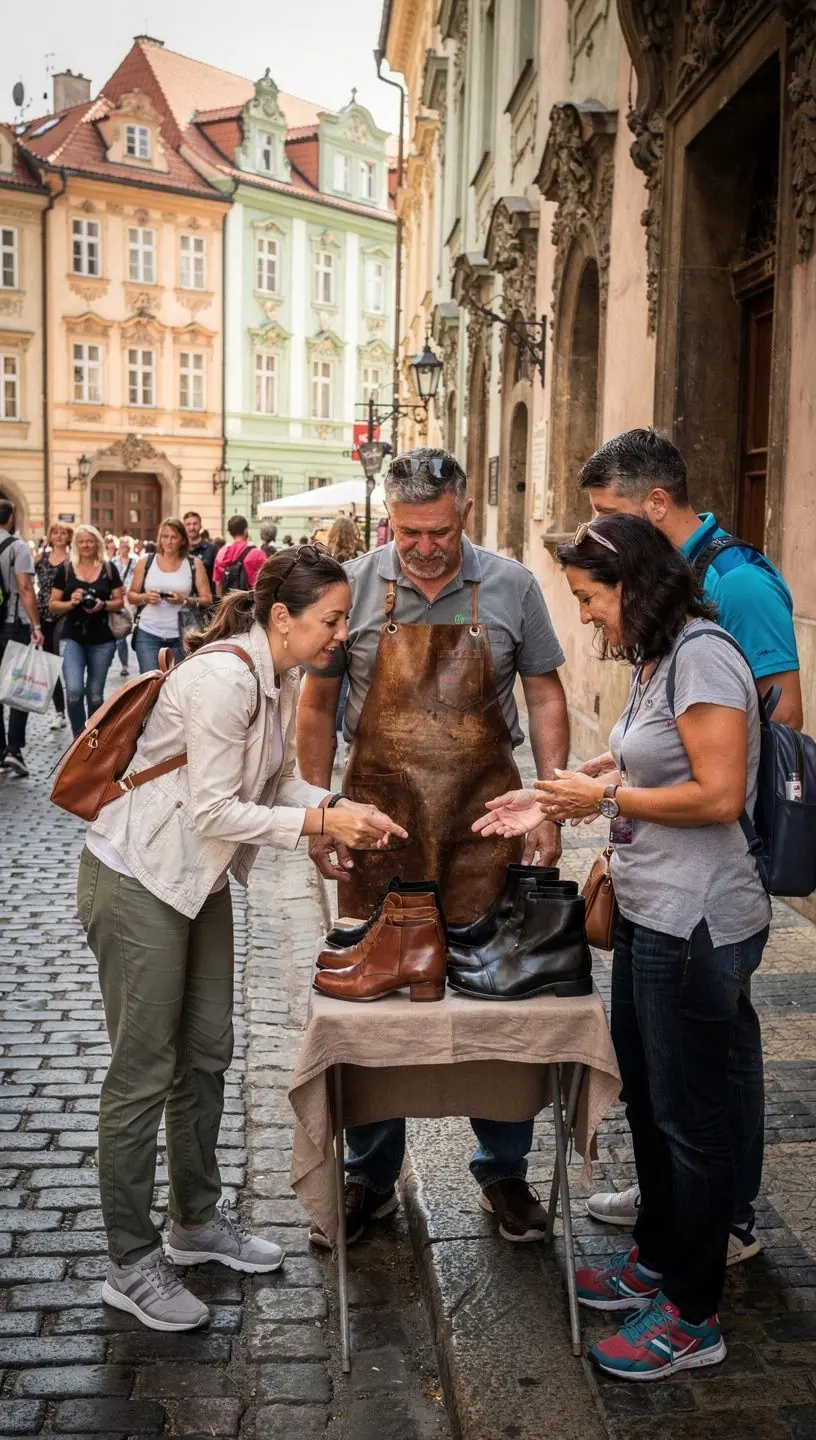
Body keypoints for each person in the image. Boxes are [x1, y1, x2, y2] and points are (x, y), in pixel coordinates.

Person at [78, 547, 406, 1331]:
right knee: (143, 1068)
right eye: (330, 621)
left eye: (344, 621)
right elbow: (214, 811)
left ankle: (193, 1223)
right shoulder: (227, 678)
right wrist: (320, 824)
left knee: (208, 1050)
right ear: (284, 618)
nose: (340, 635)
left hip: (198, 881)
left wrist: (329, 803)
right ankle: (130, 1260)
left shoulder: (279, 675)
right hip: (140, 878)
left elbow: (270, 784)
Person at [478, 514, 770, 1381]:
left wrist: (600, 808)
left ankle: (692, 1310)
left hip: (701, 919)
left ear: (635, 586)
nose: (589, 617)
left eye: (592, 599)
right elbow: (637, 761)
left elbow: (717, 795)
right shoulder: (657, 657)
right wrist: (556, 793)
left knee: (692, 1122)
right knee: (648, 1098)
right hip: (650, 911)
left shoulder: (705, 655)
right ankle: (656, 1258)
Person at [297, 446, 569, 1247]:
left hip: (487, 825)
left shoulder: (513, 585)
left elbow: (546, 693)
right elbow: (316, 706)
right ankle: (369, 1177)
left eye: (439, 531)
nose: (423, 547)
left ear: (465, 514)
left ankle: (505, 1171)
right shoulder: (352, 585)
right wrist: (321, 812)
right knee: (374, 1004)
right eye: (408, 531)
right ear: (390, 517)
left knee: (499, 996)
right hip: (378, 825)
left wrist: (548, 803)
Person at [576, 427, 796, 1249]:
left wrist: (624, 798)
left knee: (712, 1070)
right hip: (666, 875)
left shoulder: (734, 591)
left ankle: (724, 1219)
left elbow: (776, 730)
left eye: (608, 517)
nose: (598, 534)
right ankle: (686, 1213)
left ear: (654, 508)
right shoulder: (672, 607)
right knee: (688, 1074)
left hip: (710, 884)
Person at [50, 525, 124, 739]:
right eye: (81, 541)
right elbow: (53, 604)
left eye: (90, 541)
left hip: (102, 640)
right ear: (76, 544)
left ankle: (92, 738)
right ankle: (78, 739)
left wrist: (103, 604)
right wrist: (71, 603)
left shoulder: (109, 569)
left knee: (95, 697)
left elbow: (119, 602)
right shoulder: (65, 570)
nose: (86, 545)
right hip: (71, 637)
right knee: (73, 692)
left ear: (97, 543)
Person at [128, 518, 212, 672]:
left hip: (182, 635)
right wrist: (145, 597)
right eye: (165, 536)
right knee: (150, 687)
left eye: (174, 537)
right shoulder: (146, 562)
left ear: (182, 540)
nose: (169, 541)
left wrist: (184, 600)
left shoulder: (194, 564)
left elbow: (207, 599)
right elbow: (131, 596)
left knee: (177, 687)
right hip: (148, 633)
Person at [0, 500, 44, 777]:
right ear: (11, 518)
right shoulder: (16, 547)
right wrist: (36, 625)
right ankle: (13, 750)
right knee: (18, 686)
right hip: (11, 624)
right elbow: (26, 588)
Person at [34, 522, 71, 731]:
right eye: (55, 533)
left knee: (64, 662)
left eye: (62, 533)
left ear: (68, 537)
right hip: (43, 615)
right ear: (50, 536)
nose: (58, 536)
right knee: (51, 664)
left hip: (64, 615)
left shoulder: (71, 560)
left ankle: (71, 702)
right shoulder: (41, 559)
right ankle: (59, 712)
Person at [213, 517, 265, 599]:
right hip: (251, 604)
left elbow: (218, 585)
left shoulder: (221, 553)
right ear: (246, 530)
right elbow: (264, 583)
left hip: (228, 604)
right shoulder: (257, 553)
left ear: (230, 533)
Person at [113, 537, 137, 677]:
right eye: (122, 544)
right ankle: (124, 664)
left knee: (132, 632)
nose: (124, 547)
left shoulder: (137, 561)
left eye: (127, 545)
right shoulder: (113, 563)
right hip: (119, 601)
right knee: (121, 635)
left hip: (132, 603)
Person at [183, 511, 219, 591]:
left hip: (207, 599)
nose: (192, 528)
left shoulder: (212, 549)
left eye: (195, 524)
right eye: (188, 524)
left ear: (200, 526)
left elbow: (217, 579)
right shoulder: (179, 549)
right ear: (183, 527)